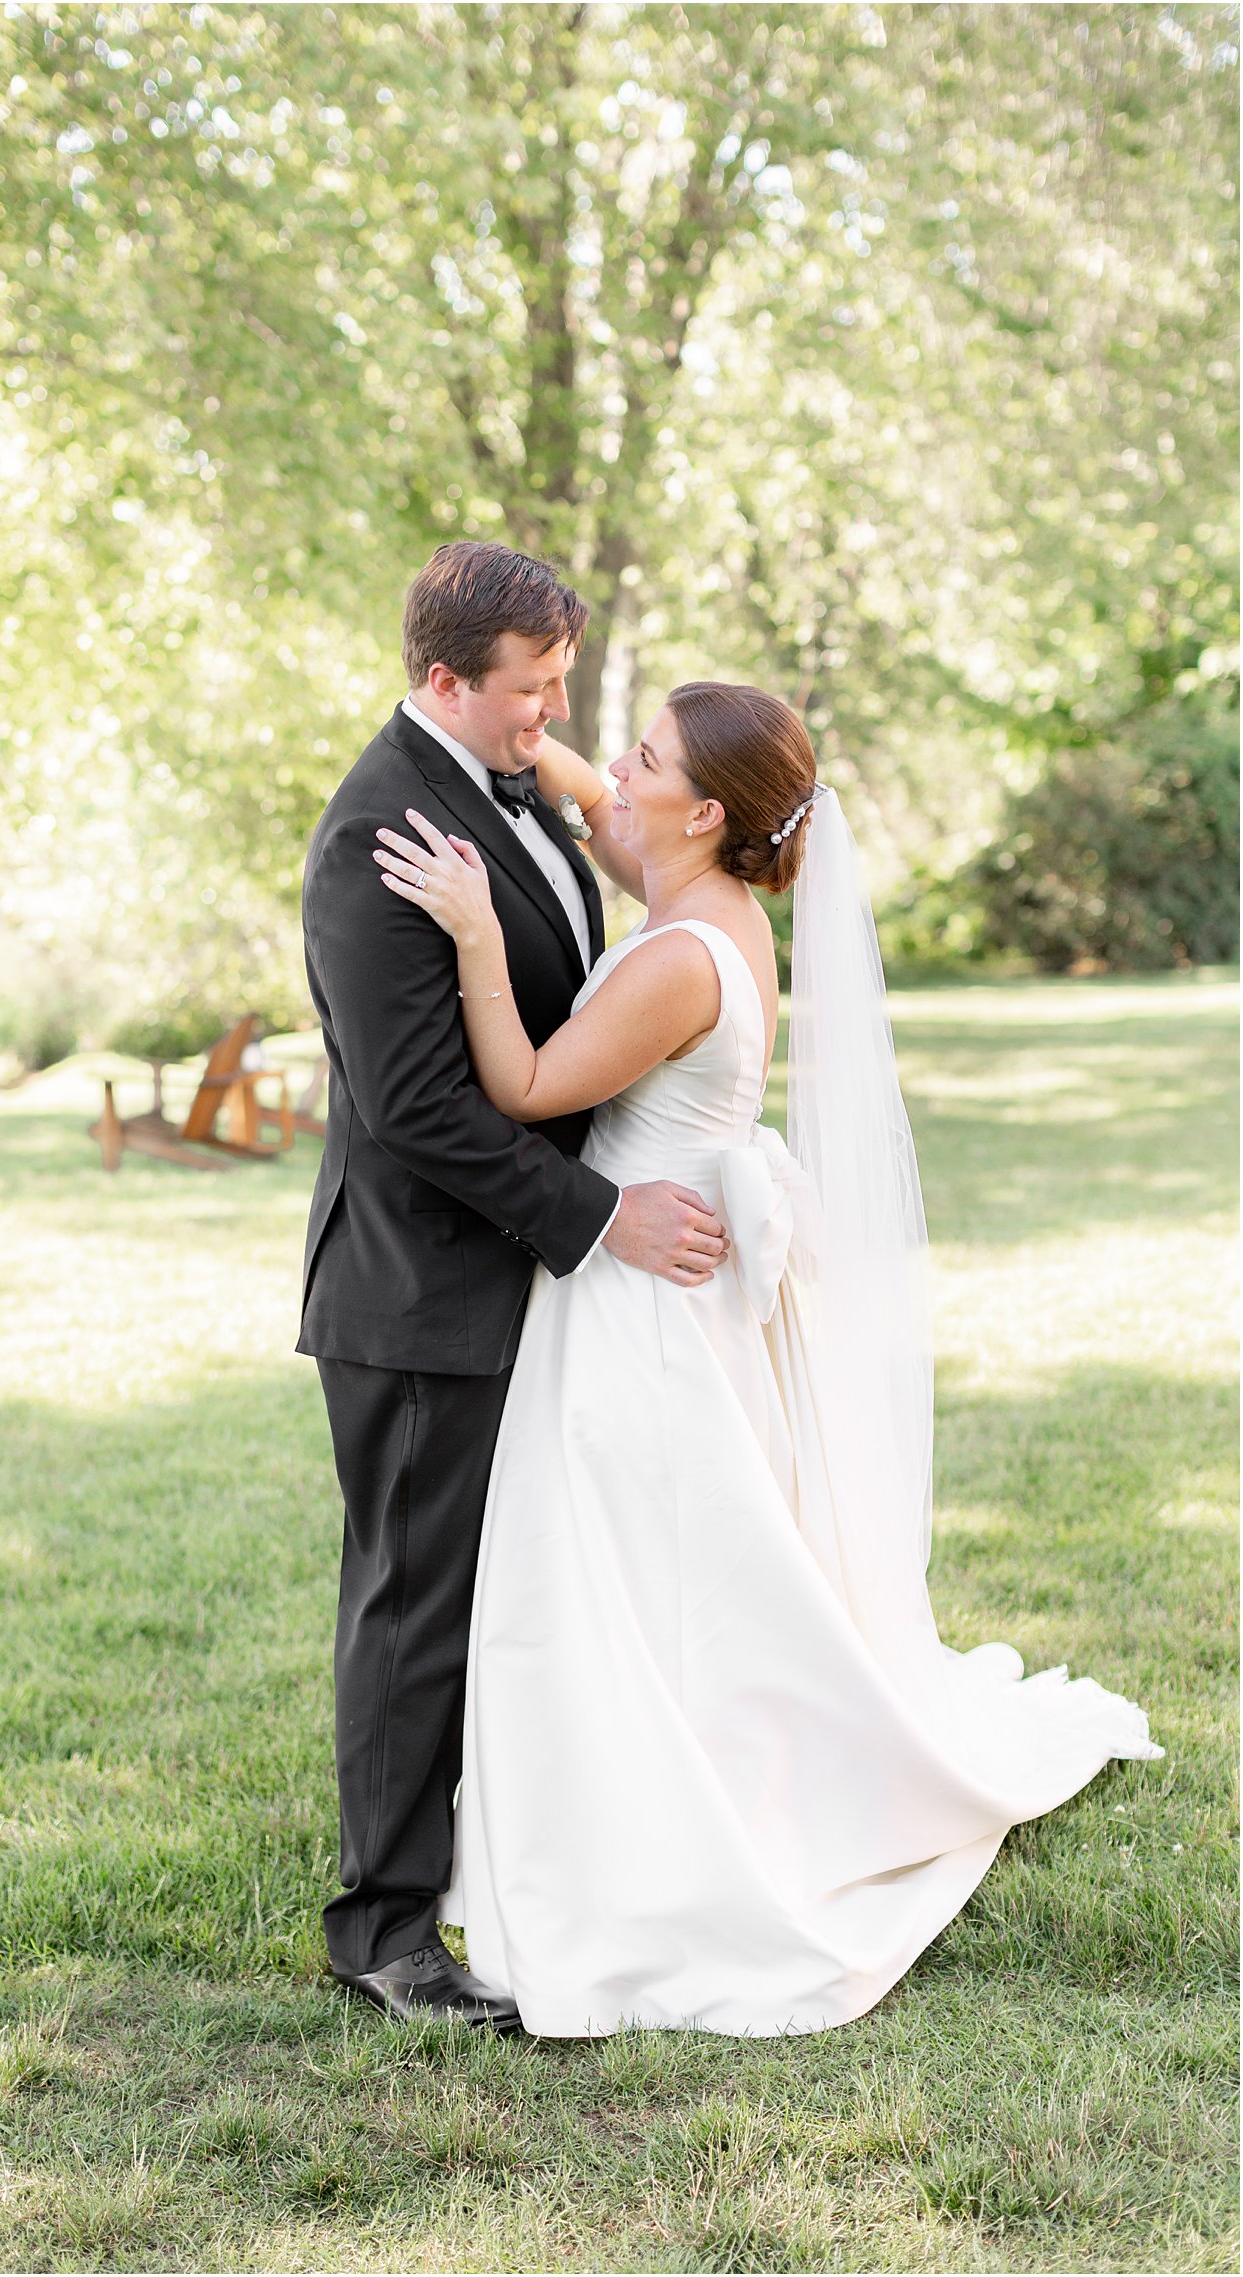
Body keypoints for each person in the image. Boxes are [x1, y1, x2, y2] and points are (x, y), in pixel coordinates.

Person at [374, 677, 1162, 2038]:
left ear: (706, 811)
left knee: (622, 1574)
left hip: (637, 1295)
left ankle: (657, 1836)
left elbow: (525, 1086)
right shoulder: (713, 901)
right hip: (679, 1288)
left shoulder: (684, 957)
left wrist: (470, 933)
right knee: (684, 1570)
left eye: (648, 755)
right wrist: (519, 731)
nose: (614, 766)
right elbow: (608, 816)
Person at [297, 543, 732, 2032]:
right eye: (529, 691)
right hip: (419, 1287)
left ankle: (499, 1864)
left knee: (496, 1599)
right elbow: (418, 1107)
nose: (553, 715)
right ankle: (385, 1930)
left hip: (503, 1283)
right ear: (441, 683)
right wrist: (601, 1215)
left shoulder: (509, 774)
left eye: (563, 685)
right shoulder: (378, 840)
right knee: (414, 1603)